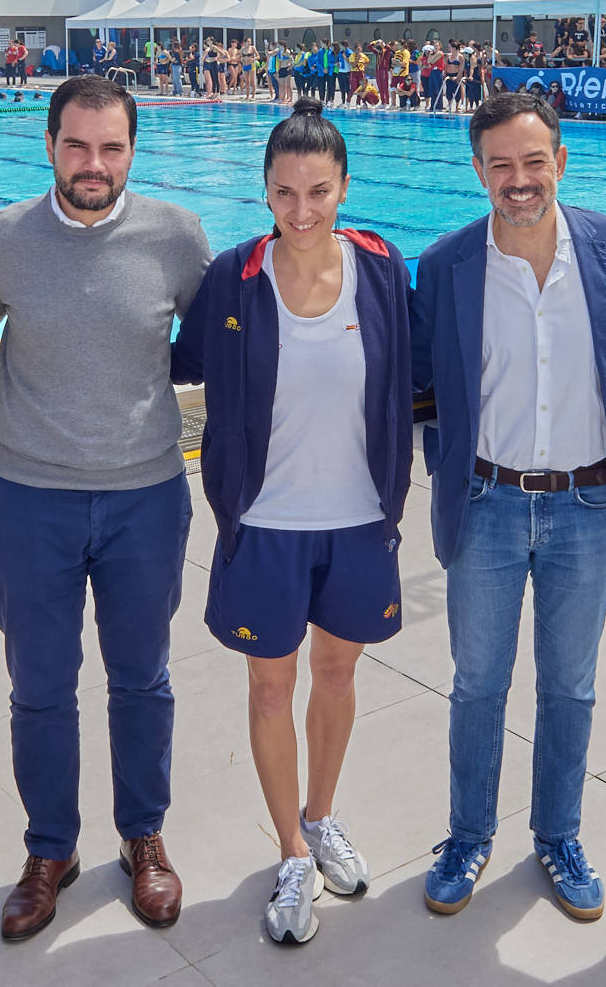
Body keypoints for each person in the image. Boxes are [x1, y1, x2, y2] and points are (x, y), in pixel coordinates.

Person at [0, 76, 214, 940]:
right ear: (49, 145)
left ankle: (144, 837)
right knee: (39, 689)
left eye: (111, 147)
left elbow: (224, 341)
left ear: (132, 152)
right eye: (77, 145)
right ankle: (50, 850)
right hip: (32, 498)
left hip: (146, 495)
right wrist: (14, 408)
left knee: (142, 681)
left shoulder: (178, 238)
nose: (93, 164)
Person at [411, 91, 606, 922]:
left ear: (560, 160)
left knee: (570, 687)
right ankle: (467, 835)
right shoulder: (447, 264)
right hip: (486, 500)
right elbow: (420, 384)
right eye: (500, 166)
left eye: (534, 163)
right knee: (477, 685)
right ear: (478, 170)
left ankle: (558, 836)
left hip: (587, 504)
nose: (519, 182)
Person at [172, 98, 413, 945]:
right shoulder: (236, 275)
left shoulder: (382, 269)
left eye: (318, 191)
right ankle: (290, 855)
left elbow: (417, 375)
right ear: (265, 194)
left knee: (338, 679)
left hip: (356, 519)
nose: (302, 211)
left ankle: (321, 816)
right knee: (271, 685)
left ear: (344, 187)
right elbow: (169, 360)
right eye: (285, 193)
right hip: (265, 525)